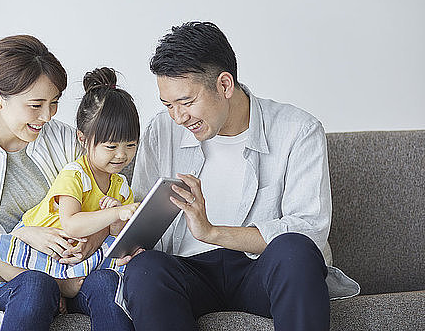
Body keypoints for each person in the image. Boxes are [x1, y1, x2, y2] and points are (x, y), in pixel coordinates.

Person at [123, 22, 360, 331]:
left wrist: (211, 232)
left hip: (259, 271)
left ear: (224, 85)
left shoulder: (297, 130)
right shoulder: (160, 131)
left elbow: (309, 230)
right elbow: (145, 220)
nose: (178, 117)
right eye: (168, 105)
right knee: (145, 270)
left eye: (186, 102)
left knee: (295, 250)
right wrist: (126, 232)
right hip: (189, 274)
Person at [0, 36, 134, 331]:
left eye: (54, 103)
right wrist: (24, 238)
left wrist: (91, 243)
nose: (47, 116)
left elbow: (103, 193)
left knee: (107, 283)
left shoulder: (65, 139)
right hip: (1, 280)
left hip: (77, 268)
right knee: (36, 285)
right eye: (36, 105)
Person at [0, 67, 140, 301]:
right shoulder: (76, 174)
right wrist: (116, 212)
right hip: (40, 237)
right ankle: (48, 281)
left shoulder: (121, 186)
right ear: (82, 139)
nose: (121, 155)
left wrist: (117, 223)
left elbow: (116, 234)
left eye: (131, 145)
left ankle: (61, 281)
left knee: (116, 260)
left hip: (71, 249)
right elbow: (71, 224)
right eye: (111, 147)